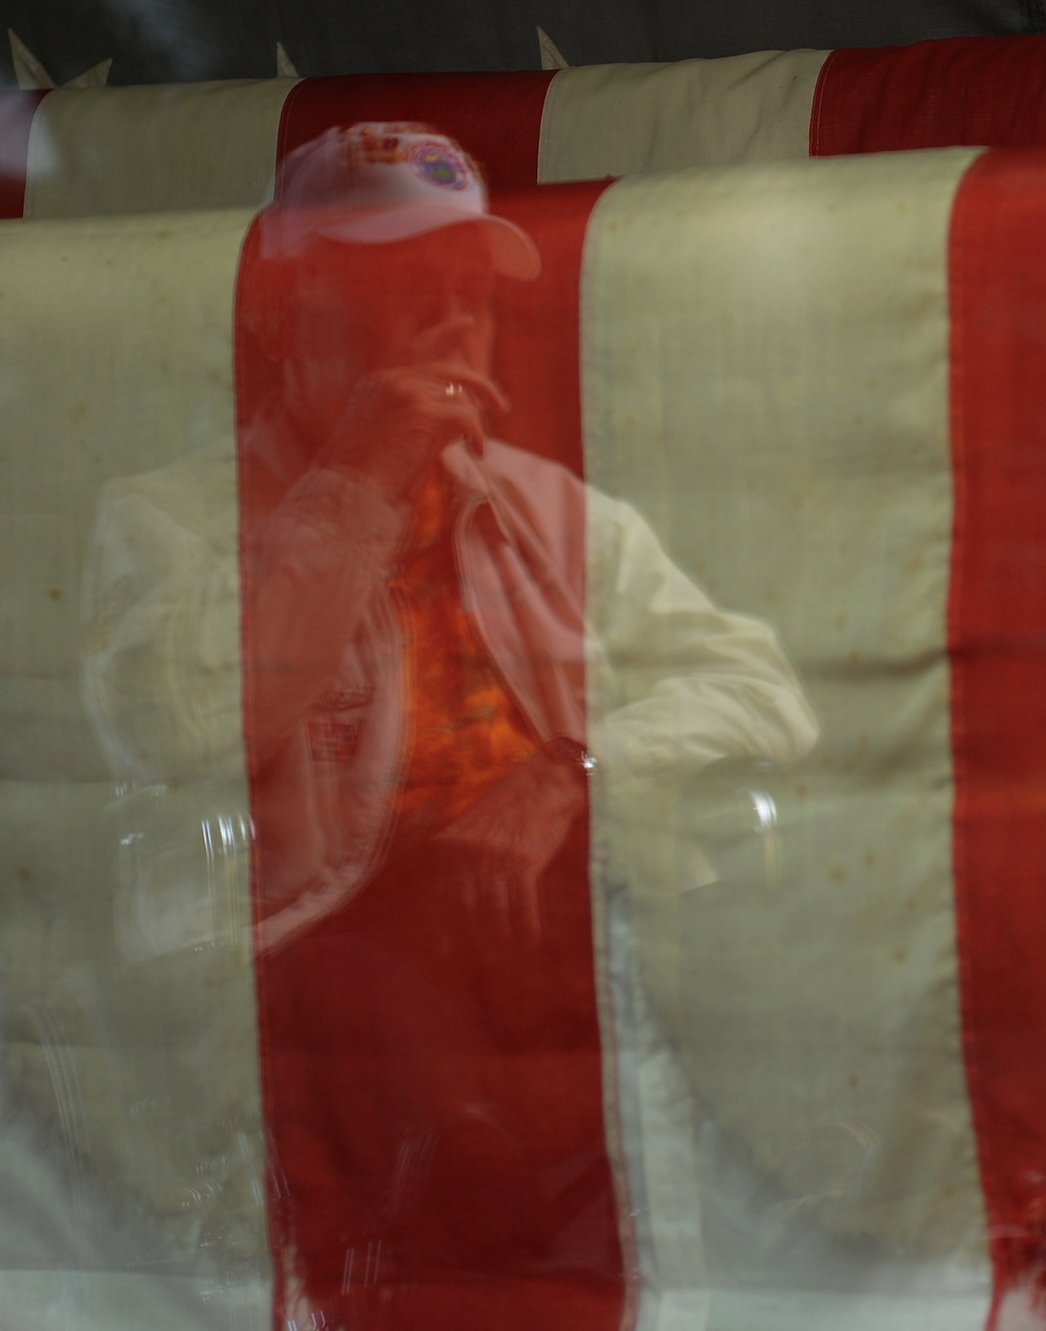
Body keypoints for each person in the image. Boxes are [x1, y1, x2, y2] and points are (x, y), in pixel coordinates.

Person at [80, 122, 819, 1327]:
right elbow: (189, 726)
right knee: (388, 962)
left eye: (464, 301)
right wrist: (360, 475)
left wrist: (570, 769)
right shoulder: (168, 518)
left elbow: (759, 687)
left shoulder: (549, 507)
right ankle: (481, 1188)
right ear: (279, 318)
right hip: (304, 959)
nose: (445, 334)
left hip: (526, 929)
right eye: (394, 296)